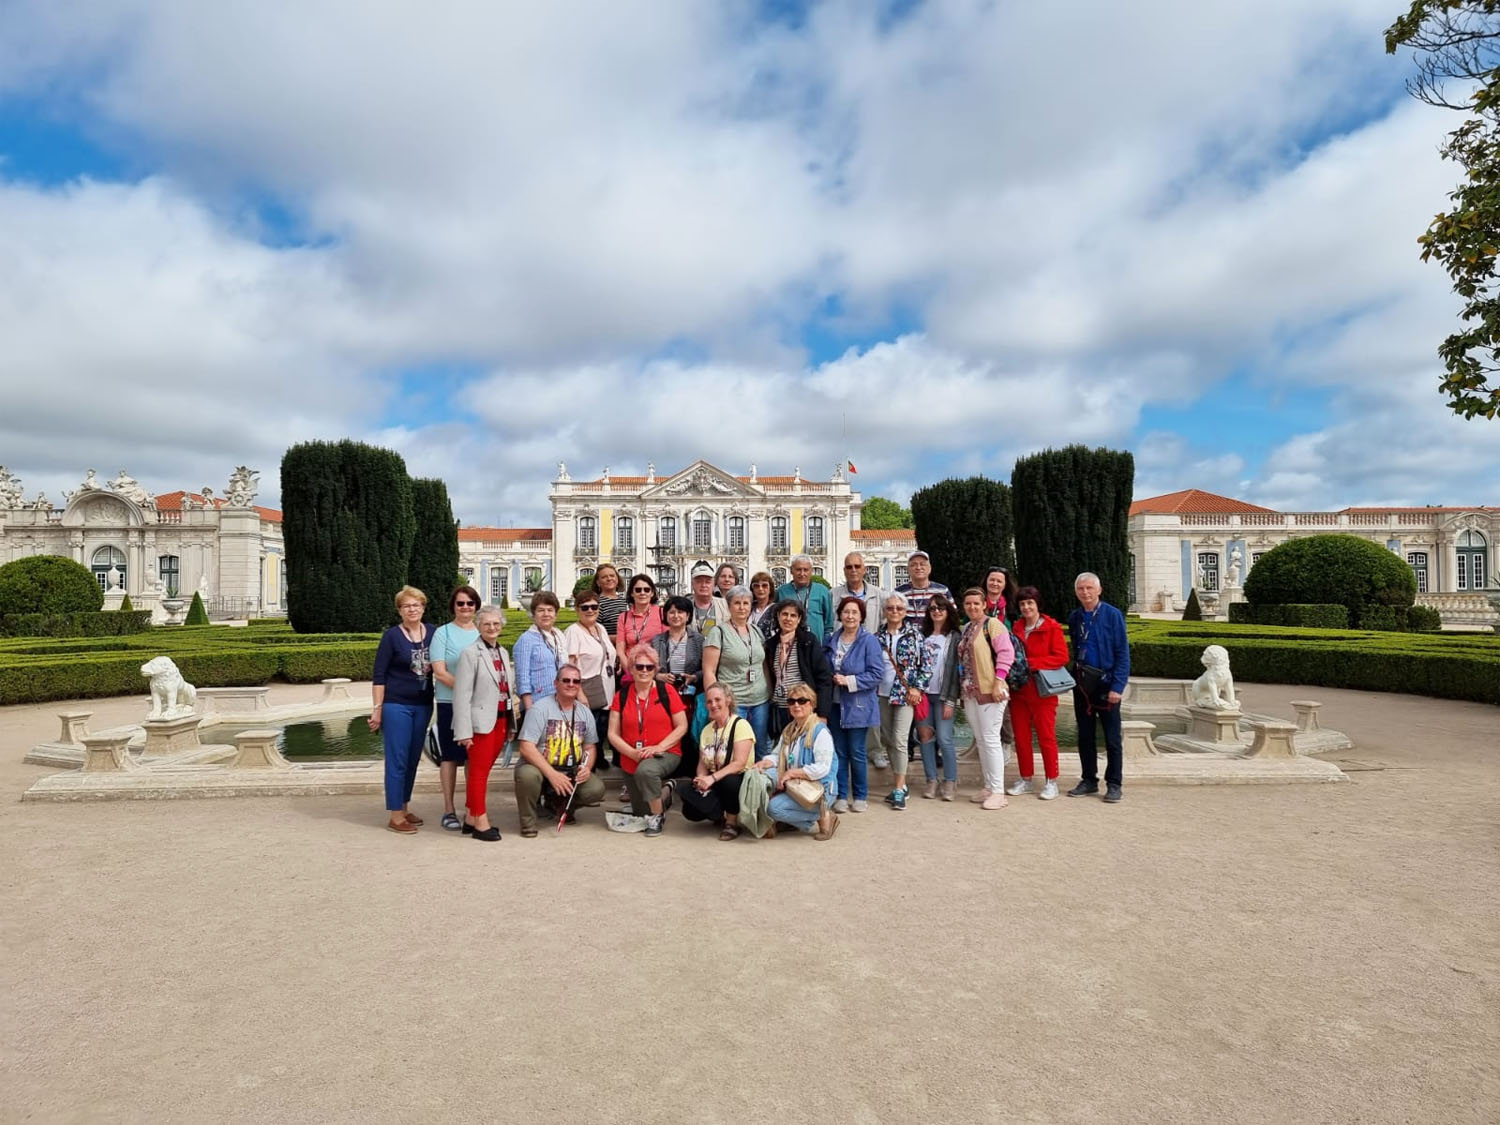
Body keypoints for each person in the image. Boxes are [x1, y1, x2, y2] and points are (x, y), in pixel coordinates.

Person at [369, 585, 436, 834]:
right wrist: (377, 709)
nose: (412, 609)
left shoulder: (432, 632)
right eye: (407, 606)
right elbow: (379, 675)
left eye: (416, 605)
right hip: (396, 704)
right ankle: (395, 816)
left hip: (423, 704)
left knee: (411, 760)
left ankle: (404, 807)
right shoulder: (391, 636)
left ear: (423, 607)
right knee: (397, 760)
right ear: (400, 610)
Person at [451, 606, 519, 841]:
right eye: (487, 624)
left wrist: (511, 724)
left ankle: (471, 816)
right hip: (480, 724)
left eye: (496, 624)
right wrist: (463, 731)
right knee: (478, 773)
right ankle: (480, 821)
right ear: (479, 626)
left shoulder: (502, 652)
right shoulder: (471, 653)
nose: (492, 628)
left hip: (500, 720)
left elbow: (506, 690)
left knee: (483, 771)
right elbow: (462, 695)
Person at [514, 664, 605, 838]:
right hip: (540, 767)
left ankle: (560, 804)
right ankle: (528, 822)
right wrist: (551, 774)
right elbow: (526, 747)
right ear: (556, 683)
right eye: (566, 680)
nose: (571, 684)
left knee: (596, 789)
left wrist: (586, 767)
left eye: (576, 681)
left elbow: (590, 747)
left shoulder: (585, 712)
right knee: (527, 776)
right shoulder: (539, 709)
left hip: (570, 769)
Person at [608, 644, 689, 837]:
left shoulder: (667, 691)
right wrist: (632, 753)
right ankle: (666, 792)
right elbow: (612, 733)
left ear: (655, 669)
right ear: (631, 669)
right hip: (632, 757)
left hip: (665, 752)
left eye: (649, 667)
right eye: (639, 666)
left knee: (647, 771)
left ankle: (658, 817)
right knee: (640, 811)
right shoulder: (622, 695)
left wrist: (658, 747)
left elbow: (682, 726)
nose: (644, 671)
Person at [1067, 571, 1130, 803]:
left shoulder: (1113, 615)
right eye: (1081, 589)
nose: (1085, 592)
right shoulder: (1075, 617)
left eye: (1089, 588)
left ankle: (1114, 783)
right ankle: (1089, 780)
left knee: (1112, 738)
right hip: (1083, 684)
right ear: (1076, 592)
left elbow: (1122, 652)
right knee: (1085, 735)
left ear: (1099, 590)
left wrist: (1118, 686)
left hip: (1106, 684)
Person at [751, 686, 840, 840]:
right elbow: (777, 756)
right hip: (796, 788)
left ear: (812, 704)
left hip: (819, 791)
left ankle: (824, 815)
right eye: (791, 702)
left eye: (802, 701)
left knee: (774, 809)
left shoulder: (820, 732)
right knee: (761, 775)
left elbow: (822, 768)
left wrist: (792, 773)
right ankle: (794, 821)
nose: (796, 705)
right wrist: (764, 763)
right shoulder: (790, 730)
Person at [1007, 586, 1070, 801]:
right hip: (1019, 690)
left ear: (1037, 605)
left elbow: (1061, 657)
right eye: (1023, 604)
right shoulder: (1016, 627)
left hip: (1043, 691)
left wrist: (1030, 664)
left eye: (1029, 603)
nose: (1026, 607)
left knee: (1046, 737)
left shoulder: (1051, 627)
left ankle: (1051, 781)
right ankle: (1026, 779)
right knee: (1022, 738)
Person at [824, 595, 884, 814]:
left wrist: (849, 681)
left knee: (857, 751)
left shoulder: (869, 641)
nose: (849, 616)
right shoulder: (831, 639)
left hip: (858, 704)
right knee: (839, 751)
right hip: (834, 703)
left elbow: (877, 673)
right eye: (846, 612)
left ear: (861, 617)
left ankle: (860, 795)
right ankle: (840, 795)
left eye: (854, 612)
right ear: (840, 615)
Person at [428, 585, 481, 831]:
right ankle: (449, 809)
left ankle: (473, 807)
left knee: (474, 757)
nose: (465, 608)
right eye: (461, 603)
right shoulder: (443, 633)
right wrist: (465, 692)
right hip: (450, 702)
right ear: (453, 606)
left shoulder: (483, 631)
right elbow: (440, 672)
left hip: (478, 705)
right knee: (449, 757)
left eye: (470, 603)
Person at [871, 592, 928, 810]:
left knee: (900, 738)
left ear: (905, 612)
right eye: (890, 608)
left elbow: (926, 665)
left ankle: (898, 788)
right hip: (882, 693)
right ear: (885, 611)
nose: (895, 611)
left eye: (899, 608)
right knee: (887, 738)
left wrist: (917, 688)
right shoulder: (877, 636)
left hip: (905, 694)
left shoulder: (915, 635)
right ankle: (900, 785)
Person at [958, 586, 1014, 810]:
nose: (972, 607)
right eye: (968, 603)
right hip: (971, 692)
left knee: (991, 739)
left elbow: (1006, 653)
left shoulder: (993, 625)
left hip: (992, 690)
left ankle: (999, 791)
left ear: (984, 605)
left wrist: (999, 680)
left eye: (976, 603)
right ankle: (990, 786)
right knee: (981, 740)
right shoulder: (967, 628)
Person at [678, 683, 755, 839]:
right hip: (715, 777)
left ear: (728, 700)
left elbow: (739, 763)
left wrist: (712, 779)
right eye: (709, 701)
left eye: (717, 700)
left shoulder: (741, 725)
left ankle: (732, 823)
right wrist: (701, 779)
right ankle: (718, 815)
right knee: (688, 805)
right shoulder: (706, 730)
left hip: (737, 777)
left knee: (729, 781)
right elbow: (702, 761)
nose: (713, 705)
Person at [703, 585, 771, 758]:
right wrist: (715, 703)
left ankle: (759, 784)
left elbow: (762, 664)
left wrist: (769, 692)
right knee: (732, 749)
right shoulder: (718, 632)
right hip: (733, 702)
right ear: (729, 606)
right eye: (737, 603)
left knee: (761, 746)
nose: (742, 608)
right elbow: (709, 671)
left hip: (759, 700)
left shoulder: (756, 631)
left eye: (746, 603)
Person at [763, 598, 833, 745]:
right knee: (783, 749)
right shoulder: (771, 644)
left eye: (793, 615)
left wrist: (823, 714)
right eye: (784, 614)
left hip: (803, 706)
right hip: (781, 707)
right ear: (778, 616)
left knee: (805, 749)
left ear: (799, 619)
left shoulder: (807, 642)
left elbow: (824, 678)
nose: (788, 619)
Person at [916, 593, 962, 801]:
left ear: (948, 611)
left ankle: (950, 781)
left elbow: (955, 672)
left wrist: (952, 700)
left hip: (944, 696)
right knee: (926, 738)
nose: (936, 611)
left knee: (944, 738)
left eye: (940, 608)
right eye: (932, 608)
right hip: (924, 695)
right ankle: (931, 780)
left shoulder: (954, 637)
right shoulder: (921, 634)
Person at [564, 592, 617, 751]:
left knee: (601, 728)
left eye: (594, 607)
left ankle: (598, 759)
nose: (590, 611)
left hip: (606, 686)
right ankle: (586, 766)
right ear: (577, 610)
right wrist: (579, 693)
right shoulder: (573, 631)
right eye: (585, 607)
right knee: (588, 731)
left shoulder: (600, 628)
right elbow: (569, 665)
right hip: (587, 688)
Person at [513, 591, 565, 712]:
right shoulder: (526, 639)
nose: (546, 614)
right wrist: (529, 709)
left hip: (559, 701)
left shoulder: (559, 636)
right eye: (541, 610)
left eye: (550, 610)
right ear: (533, 614)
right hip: (537, 704)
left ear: (556, 614)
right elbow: (522, 677)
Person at [615, 573, 666, 677]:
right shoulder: (623, 617)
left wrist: (654, 673)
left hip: (656, 670)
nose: (642, 593)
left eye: (646, 590)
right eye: (638, 590)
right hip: (631, 669)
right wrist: (631, 673)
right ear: (632, 593)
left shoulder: (662, 613)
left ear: (652, 593)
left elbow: (667, 645)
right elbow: (620, 650)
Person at [776, 555, 833, 642]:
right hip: (789, 646)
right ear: (791, 570)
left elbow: (828, 624)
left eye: (806, 570)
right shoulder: (782, 592)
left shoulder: (823, 591)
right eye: (798, 569)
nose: (802, 574)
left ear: (811, 571)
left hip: (816, 646)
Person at [895, 549, 951, 627]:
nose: (918, 567)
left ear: (930, 568)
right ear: (908, 570)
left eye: (922, 564)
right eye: (913, 565)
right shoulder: (898, 593)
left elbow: (952, 616)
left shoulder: (942, 591)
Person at [830, 552, 885, 631]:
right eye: (849, 567)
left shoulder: (879, 595)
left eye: (857, 566)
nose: (853, 570)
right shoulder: (833, 595)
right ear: (844, 571)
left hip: (870, 642)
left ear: (864, 570)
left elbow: (884, 625)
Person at [687, 562, 731, 635]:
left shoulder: (726, 605)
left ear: (714, 584)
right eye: (699, 582)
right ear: (692, 585)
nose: (703, 585)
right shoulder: (685, 607)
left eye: (708, 582)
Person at [591, 563, 629, 640]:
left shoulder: (626, 601)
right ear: (598, 582)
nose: (609, 579)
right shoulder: (596, 603)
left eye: (612, 576)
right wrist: (620, 639)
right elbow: (593, 634)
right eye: (604, 577)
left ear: (617, 579)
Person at [747, 571, 777, 637]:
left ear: (770, 589)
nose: (760, 589)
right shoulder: (748, 608)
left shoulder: (777, 610)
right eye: (756, 586)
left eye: (764, 585)